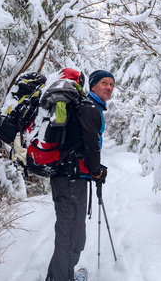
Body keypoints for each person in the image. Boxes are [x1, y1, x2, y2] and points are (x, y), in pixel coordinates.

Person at [45, 69, 115, 281]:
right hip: (70, 179)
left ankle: (57, 276)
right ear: (92, 85)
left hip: (66, 175)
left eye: (112, 84)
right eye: (104, 83)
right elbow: (91, 144)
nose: (109, 88)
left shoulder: (81, 107)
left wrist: (94, 169)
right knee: (73, 234)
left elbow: (80, 144)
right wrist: (96, 171)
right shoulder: (89, 108)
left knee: (68, 230)